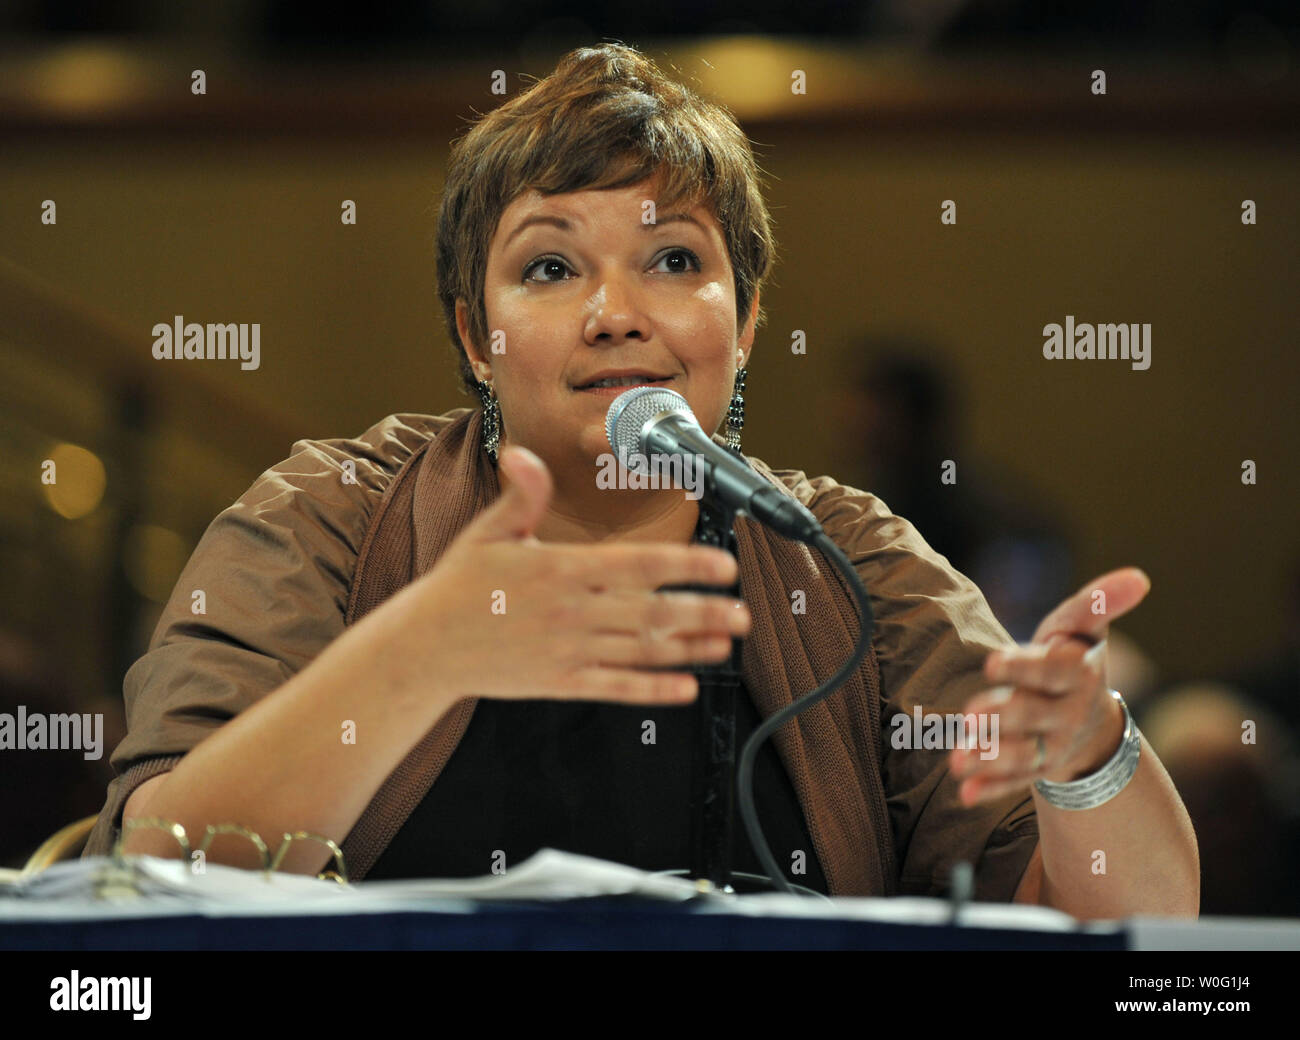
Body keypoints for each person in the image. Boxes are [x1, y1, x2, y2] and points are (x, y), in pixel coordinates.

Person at [84, 43, 1197, 917]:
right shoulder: (324, 518)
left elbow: (1118, 937)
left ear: (747, 322)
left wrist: (1087, 756)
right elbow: (153, 874)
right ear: (477, 336)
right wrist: (414, 654)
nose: (617, 311)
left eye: (674, 259)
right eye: (552, 266)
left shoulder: (851, 565)